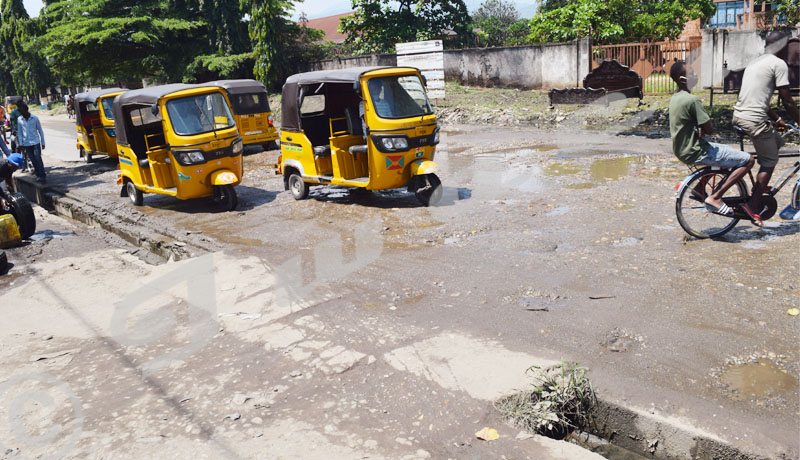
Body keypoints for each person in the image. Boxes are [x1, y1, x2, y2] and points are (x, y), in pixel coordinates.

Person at [669, 61, 755, 217]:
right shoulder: (692, 100)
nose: (696, 75)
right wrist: (704, 125)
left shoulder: (675, 98)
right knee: (749, 160)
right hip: (696, 150)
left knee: (727, 152)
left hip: (683, 149)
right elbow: (709, 129)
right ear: (683, 80)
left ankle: (701, 187)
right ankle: (715, 197)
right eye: (692, 73)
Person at [733, 31, 800, 226]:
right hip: (754, 119)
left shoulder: (755, 62)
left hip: (740, 115)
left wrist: (779, 121)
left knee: (778, 140)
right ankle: (753, 206)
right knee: (770, 160)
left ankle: (760, 186)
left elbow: (761, 100)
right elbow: (787, 101)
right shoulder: (778, 64)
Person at [17, 102, 46, 183]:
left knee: (38, 159)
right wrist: (21, 143)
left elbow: (40, 130)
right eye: (20, 112)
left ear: (26, 110)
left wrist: (43, 142)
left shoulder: (35, 118)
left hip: (35, 142)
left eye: (22, 111)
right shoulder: (19, 119)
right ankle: (38, 175)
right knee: (33, 160)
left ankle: (42, 175)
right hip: (26, 144)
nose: (21, 113)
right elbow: (20, 133)